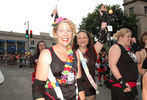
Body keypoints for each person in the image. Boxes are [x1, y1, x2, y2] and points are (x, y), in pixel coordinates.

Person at [32, 17, 85, 100]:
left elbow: (79, 83)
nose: (65, 34)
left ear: (72, 34)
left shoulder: (76, 54)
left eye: (69, 30)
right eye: (61, 30)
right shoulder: (46, 54)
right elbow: (38, 89)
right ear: (55, 34)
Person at [72, 22, 108, 100]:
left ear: (88, 39)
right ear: (76, 40)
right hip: (74, 89)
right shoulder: (71, 52)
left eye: (85, 37)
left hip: (89, 88)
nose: (82, 40)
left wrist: (104, 20)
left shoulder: (93, 50)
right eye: (79, 38)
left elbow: (103, 37)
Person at [108, 28, 141, 100]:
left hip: (132, 85)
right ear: (121, 37)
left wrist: (135, 46)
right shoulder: (116, 47)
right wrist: (122, 82)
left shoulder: (130, 50)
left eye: (131, 36)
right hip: (122, 86)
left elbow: (139, 60)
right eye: (128, 36)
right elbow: (112, 65)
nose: (130, 38)